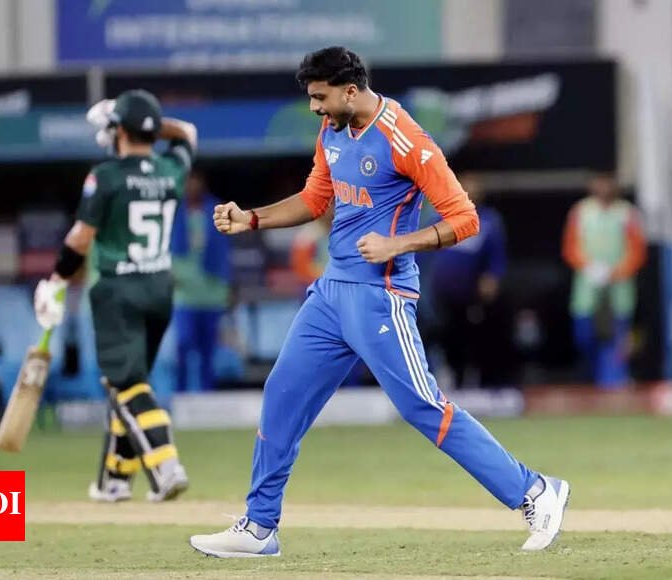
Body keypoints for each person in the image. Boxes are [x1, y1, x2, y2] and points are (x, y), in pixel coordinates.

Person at [188, 47, 569, 558]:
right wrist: (252, 218)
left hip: (380, 297)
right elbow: (315, 199)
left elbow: (465, 219)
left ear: (350, 91)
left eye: (320, 97)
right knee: (282, 394)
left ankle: (535, 491)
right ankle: (259, 527)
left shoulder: (405, 137)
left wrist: (397, 244)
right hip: (330, 294)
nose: (314, 108)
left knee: (422, 406)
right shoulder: (333, 130)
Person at [33, 90, 198, 503]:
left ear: (120, 130)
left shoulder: (105, 175)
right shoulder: (171, 169)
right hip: (159, 290)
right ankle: (114, 479)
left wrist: (55, 280)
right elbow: (187, 133)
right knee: (131, 384)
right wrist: (141, 122)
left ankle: (166, 464)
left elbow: (80, 238)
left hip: (117, 291)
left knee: (125, 382)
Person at [562, 174, 647, 389]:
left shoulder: (626, 213)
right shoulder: (581, 211)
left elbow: (637, 250)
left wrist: (616, 272)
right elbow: (570, 247)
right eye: (599, 183)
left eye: (608, 183)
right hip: (588, 284)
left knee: (618, 336)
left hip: (619, 285)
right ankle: (591, 376)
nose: (603, 188)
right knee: (584, 335)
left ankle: (614, 379)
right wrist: (589, 267)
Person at [426, 173, 510, 388]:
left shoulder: (489, 221)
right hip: (442, 291)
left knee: (474, 336)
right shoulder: (441, 217)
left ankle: (477, 380)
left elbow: (497, 255)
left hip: (471, 292)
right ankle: (451, 376)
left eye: (475, 190)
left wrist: (492, 277)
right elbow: (421, 249)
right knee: (445, 335)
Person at [171, 169, 232, 393]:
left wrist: (228, 287)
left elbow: (225, 254)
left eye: (195, 182)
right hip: (183, 293)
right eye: (187, 182)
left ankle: (207, 395)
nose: (192, 187)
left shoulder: (216, 211)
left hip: (211, 292)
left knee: (208, 349)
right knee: (183, 344)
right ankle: (180, 393)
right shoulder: (174, 213)